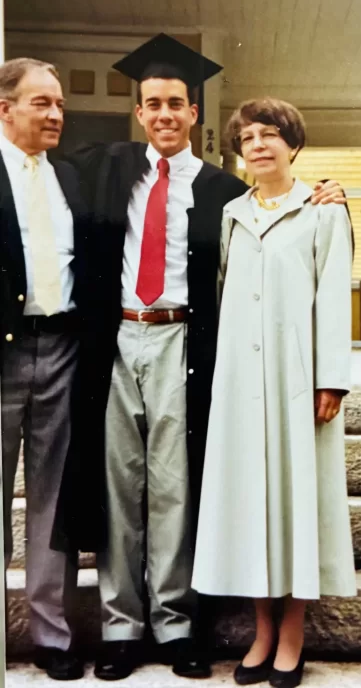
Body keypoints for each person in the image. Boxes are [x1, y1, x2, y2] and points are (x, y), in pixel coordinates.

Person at [51, 37, 346, 681]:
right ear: (138, 111)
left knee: (175, 489)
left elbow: (279, 220)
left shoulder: (220, 191)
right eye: (152, 103)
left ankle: (178, 624)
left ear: (194, 116)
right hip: (117, 342)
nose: (163, 114)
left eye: (176, 104)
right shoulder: (108, 168)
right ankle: (123, 628)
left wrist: (329, 192)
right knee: (119, 485)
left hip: (182, 342)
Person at [192, 98, 356, 688]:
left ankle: (293, 635)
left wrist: (331, 379)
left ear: (293, 143)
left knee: (296, 503)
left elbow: (334, 297)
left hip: (297, 384)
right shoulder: (233, 213)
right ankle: (262, 632)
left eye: (271, 134)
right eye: (248, 137)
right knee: (251, 506)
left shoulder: (323, 211)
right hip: (241, 384)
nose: (259, 144)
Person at [0, 58, 89, 681]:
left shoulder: (71, 180)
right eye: (40, 103)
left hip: (61, 349)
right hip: (1, 354)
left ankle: (51, 636)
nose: (56, 114)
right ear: (4, 108)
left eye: (58, 104)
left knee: (53, 502)